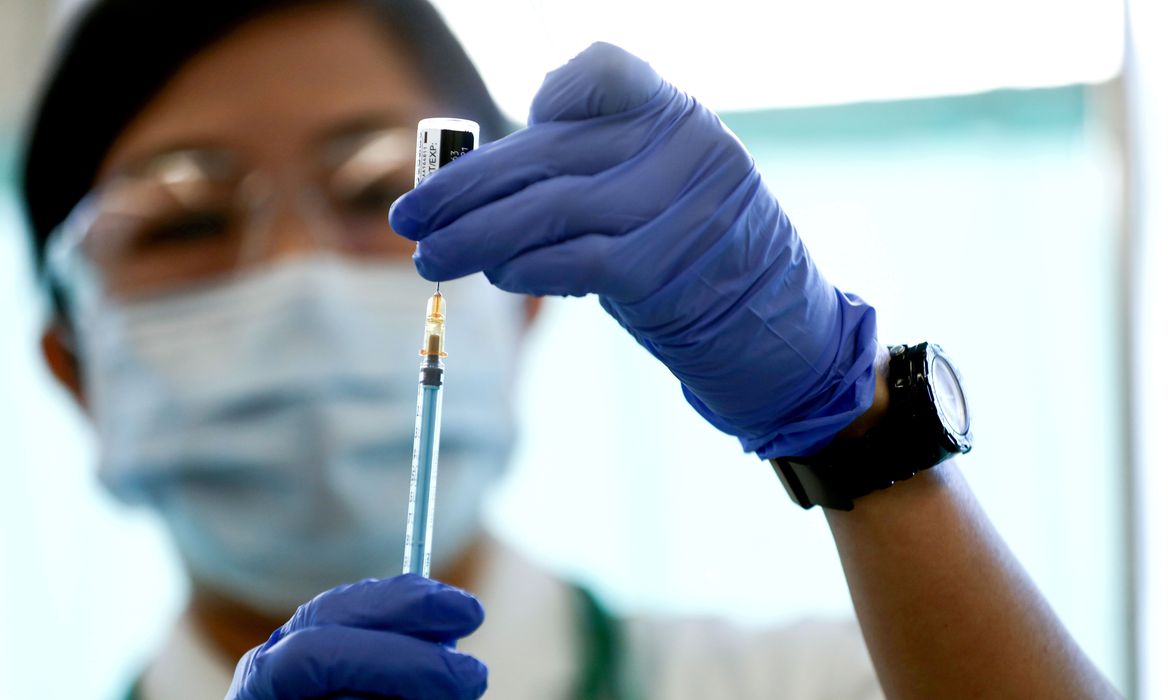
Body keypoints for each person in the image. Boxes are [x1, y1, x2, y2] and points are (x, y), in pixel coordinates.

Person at [17, 0, 1120, 698]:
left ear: (526, 300)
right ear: (73, 367)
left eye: (373, 193)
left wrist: (855, 433)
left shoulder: (827, 681)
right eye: (185, 222)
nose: (296, 276)